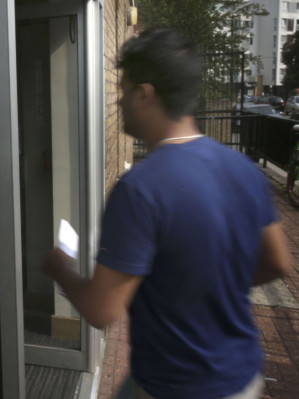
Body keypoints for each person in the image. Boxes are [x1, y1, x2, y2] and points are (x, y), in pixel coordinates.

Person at [42, 28, 291, 398]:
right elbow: (278, 262)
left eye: (123, 91)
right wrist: (213, 286)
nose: (119, 102)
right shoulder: (241, 169)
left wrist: (59, 267)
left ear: (145, 95)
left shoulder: (139, 189)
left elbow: (101, 310)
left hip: (174, 385)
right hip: (242, 378)